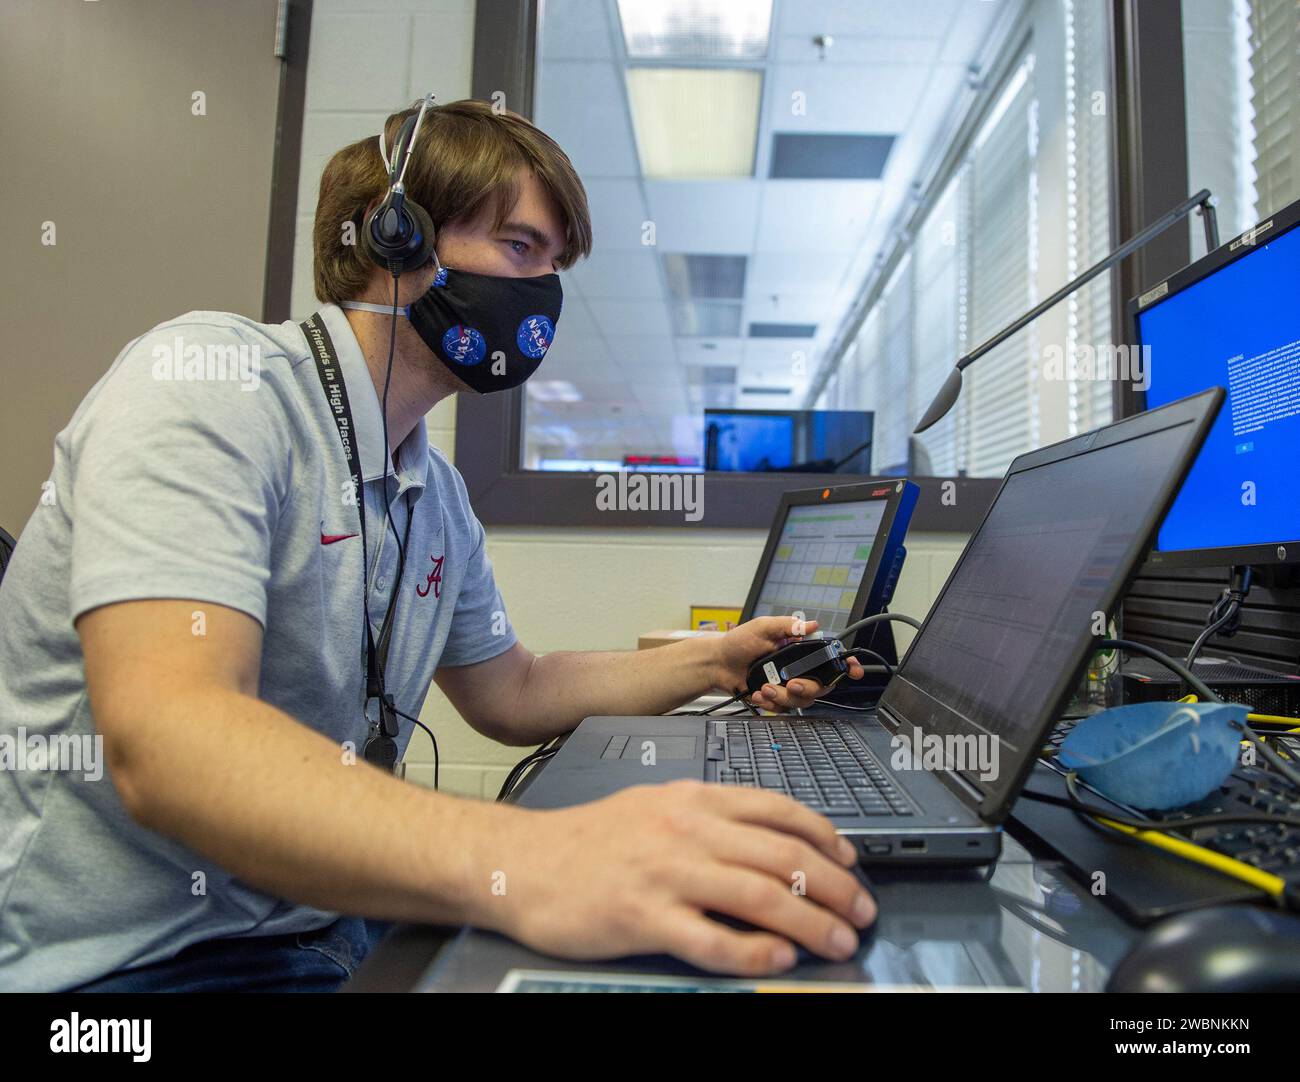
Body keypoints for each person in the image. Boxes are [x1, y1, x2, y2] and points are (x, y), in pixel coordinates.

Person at [0, 98, 875, 992]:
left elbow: (514, 691)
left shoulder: (434, 492)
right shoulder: (212, 386)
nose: (543, 293)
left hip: (320, 919)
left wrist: (717, 661)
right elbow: (170, 741)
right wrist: (534, 856)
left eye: (554, 264)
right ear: (398, 239)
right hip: (125, 967)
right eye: (521, 249)